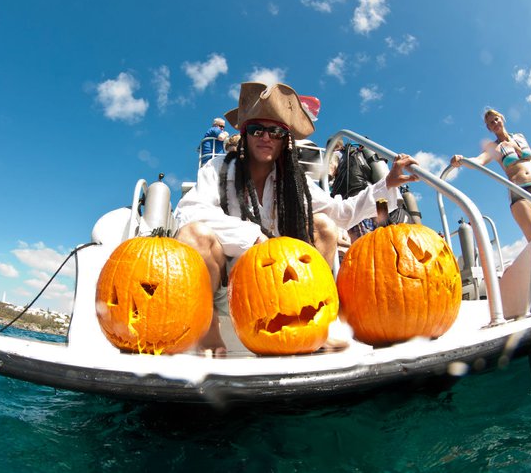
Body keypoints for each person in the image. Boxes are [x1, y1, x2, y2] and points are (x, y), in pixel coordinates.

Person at [174, 81, 419, 355]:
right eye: (257, 130)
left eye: (276, 131)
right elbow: (189, 211)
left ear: (285, 140)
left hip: (286, 284)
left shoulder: (294, 180)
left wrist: (388, 183)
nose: (266, 137)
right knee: (193, 234)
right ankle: (208, 329)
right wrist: (253, 238)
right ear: (245, 135)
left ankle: (320, 324)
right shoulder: (219, 168)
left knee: (324, 226)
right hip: (229, 287)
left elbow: (340, 214)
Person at [450, 108, 531, 242]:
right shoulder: (494, 147)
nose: (495, 123)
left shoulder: (520, 137)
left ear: (502, 119)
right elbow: (479, 161)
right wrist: (462, 160)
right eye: (491, 123)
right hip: (519, 192)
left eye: (496, 119)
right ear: (489, 128)